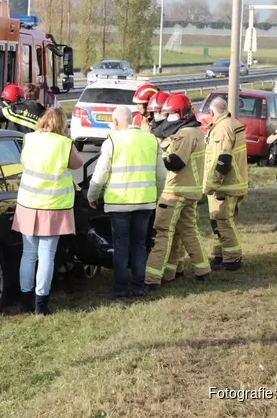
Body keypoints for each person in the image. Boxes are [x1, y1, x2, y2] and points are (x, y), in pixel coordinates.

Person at [88, 106, 167, 299]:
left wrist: (92, 196)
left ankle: (121, 288)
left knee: (121, 244)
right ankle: (139, 286)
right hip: (145, 201)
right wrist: (156, 195)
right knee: (140, 244)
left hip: (119, 202)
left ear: (115, 122)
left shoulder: (112, 141)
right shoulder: (151, 140)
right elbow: (161, 174)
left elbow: (100, 175)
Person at [13, 108, 83, 314]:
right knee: (46, 255)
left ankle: (25, 299)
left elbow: (24, 162)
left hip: (27, 203)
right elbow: (77, 164)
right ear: (62, 124)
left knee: (28, 254)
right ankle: (40, 304)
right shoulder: (64, 144)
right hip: (53, 206)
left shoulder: (30, 138)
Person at [145, 93, 211, 290]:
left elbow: (176, 162)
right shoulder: (196, 131)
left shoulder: (184, 135)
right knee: (189, 231)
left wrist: (159, 156)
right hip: (191, 190)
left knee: (163, 233)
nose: (169, 117)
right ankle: (202, 270)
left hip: (175, 191)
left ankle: (151, 279)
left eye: (172, 114)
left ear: (183, 113)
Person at [203, 97, 248, 271]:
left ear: (212, 112)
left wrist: (212, 184)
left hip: (224, 186)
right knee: (219, 222)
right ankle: (220, 254)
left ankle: (232, 259)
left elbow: (222, 160)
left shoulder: (221, 129)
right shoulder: (232, 123)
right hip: (235, 182)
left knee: (223, 221)